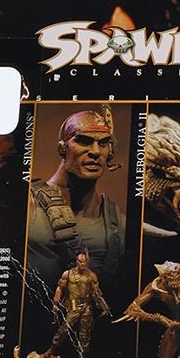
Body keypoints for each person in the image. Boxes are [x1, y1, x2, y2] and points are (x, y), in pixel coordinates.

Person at [27, 108, 124, 295]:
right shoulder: (28, 203)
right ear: (62, 148)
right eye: (83, 141)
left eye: (103, 143)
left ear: (110, 151)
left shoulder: (117, 221)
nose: (95, 151)